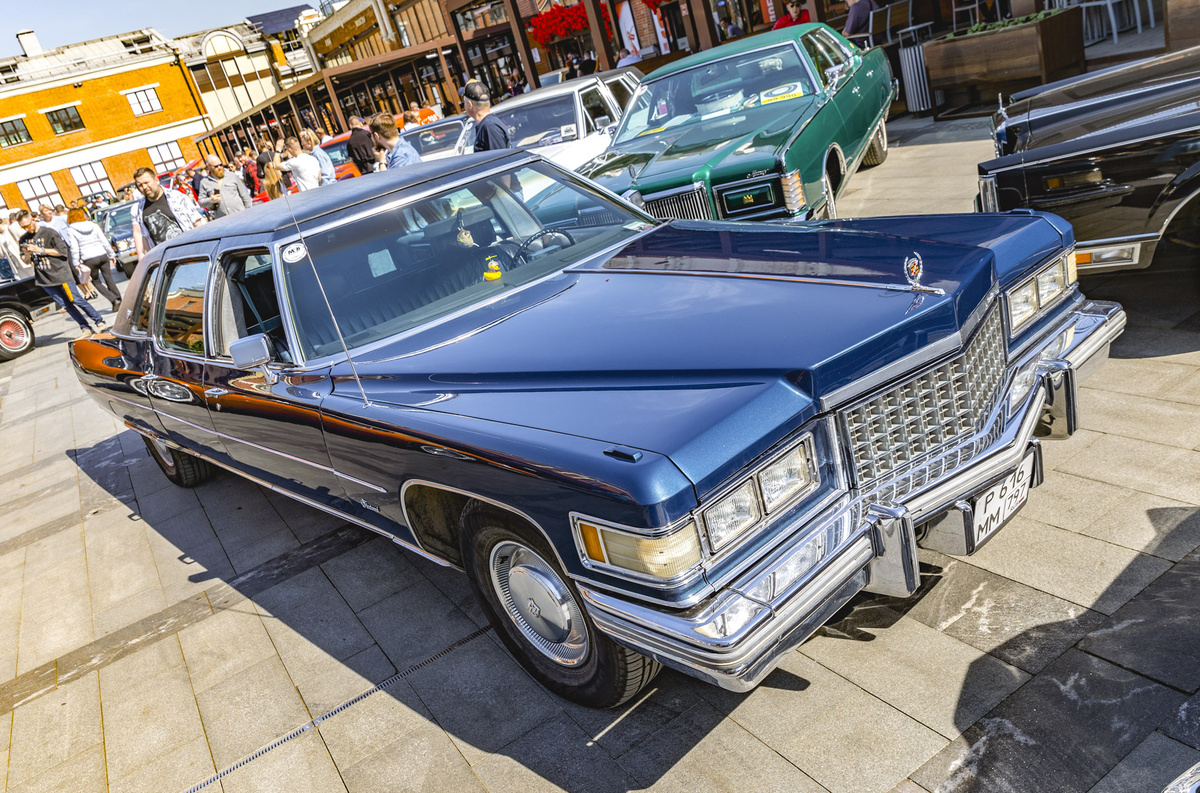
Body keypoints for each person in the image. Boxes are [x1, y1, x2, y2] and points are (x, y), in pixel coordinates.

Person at [16, 210, 106, 338]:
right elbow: (25, 261)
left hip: (60, 273)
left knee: (77, 300)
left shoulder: (49, 232)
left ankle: (99, 321)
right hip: (44, 279)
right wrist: (27, 253)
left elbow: (62, 251)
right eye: (23, 226)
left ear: (33, 220)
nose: (26, 228)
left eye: (28, 225)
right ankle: (85, 327)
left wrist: (40, 249)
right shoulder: (23, 239)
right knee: (66, 305)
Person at [130, 166, 206, 258]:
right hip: (164, 260)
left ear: (156, 180)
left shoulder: (178, 197)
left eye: (146, 182)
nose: (144, 187)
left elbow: (197, 223)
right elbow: (143, 237)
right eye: (140, 185)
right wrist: (143, 258)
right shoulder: (138, 209)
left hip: (190, 252)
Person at [66, 207, 122, 311]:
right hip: (102, 254)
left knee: (96, 281)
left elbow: (74, 248)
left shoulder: (71, 230)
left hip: (89, 259)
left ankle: (113, 299)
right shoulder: (93, 225)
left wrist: (76, 262)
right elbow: (103, 240)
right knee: (109, 278)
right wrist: (111, 254)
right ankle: (119, 299)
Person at [464, 82, 510, 152]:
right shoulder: (486, 124)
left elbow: (499, 159)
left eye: (464, 102)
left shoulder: (489, 126)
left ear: (469, 105)